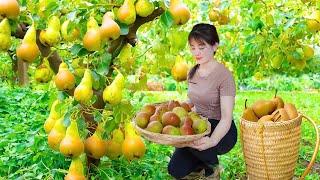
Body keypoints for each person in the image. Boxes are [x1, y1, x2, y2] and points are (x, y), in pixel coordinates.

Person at [167, 23, 238, 179]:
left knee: (194, 141)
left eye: (201, 47)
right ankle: (201, 163)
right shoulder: (193, 72)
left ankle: (213, 168)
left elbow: (226, 118)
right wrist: (176, 111)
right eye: (192, 48)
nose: (196, 52)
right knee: (175, 170)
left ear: (214, 46)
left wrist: (212, 141)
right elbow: (191, 102)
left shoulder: (224, 76)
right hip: (199, 125)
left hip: (221, 130)